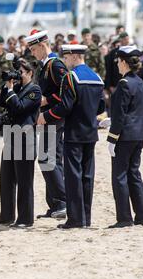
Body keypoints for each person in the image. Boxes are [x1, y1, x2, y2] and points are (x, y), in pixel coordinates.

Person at [37, 44, 105, 228]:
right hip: (91, 133)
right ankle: (86, 217)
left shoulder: (71, 77)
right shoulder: (97, 78)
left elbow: (65, 106)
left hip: (74, 132)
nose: (64, 62)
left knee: (73, 175)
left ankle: (75, 219)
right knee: (87, 176)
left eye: (66, 58)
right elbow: (101, 107)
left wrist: (46, 116)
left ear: (74, 56)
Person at [24, 29, 67, 219]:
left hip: (54, 117)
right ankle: (55, 204)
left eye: (34, 49)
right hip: (49, 117)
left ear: (42, 45)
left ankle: (63, 201)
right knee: (53, 159)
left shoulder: (55, 65)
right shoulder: (45, 65)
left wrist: (45, 101)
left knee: (46, 159)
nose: (32, 53)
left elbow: (65, 90)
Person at [106, 46, 143, 229]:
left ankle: (124, 217)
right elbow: (133, 109)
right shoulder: (139, 81)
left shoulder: (124, 83)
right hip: (138, 133)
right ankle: (142, 217)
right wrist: (111, 119)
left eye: (118, 61)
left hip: (124, 135)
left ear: (124, 62)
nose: (117, 64)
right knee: (134, 175)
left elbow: (122, 113)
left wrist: (112, 138)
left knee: (120, 176)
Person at [0, 58, 41, 228]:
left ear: (30, 73)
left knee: (24, 181)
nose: (18, 75)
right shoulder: (17, 87)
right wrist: (7, 86)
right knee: (6, 179)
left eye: (21, 72)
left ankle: (25, 219)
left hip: (25, 140)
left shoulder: (34, 90)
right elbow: (1, 103)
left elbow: (20, 107)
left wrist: (11, 91)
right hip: (11, 138)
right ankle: (6, 216)